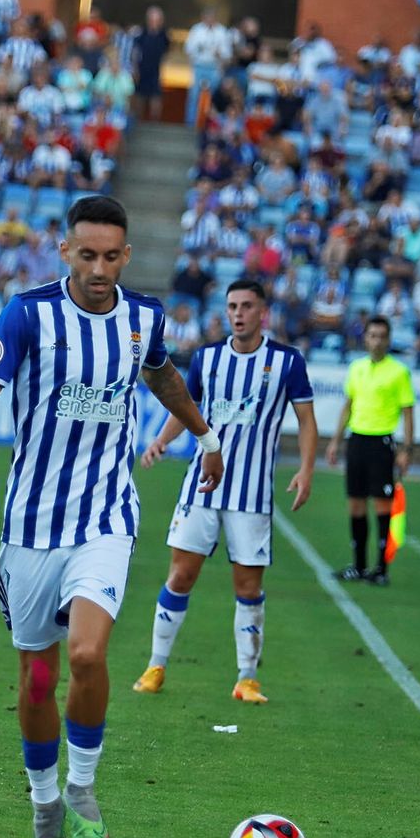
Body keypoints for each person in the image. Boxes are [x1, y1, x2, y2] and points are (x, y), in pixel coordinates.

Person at [0, 195, 224, 838]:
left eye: (111, 256)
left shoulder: (141, 319)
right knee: (38, 678)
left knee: (88, 655)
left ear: (126, 256)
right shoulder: (27, 314)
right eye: (87, 255)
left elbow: (161, 374)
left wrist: (203, 432)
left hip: (106, 516)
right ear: (65, 251)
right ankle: (44, 803)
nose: (99, 267)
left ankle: (81, 789)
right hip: (32, 525)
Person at [133, 279, 317, 704]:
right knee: (180, 575)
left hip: (251, 494)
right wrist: (162, 439)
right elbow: (186, 404)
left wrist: (306, 469)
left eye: (247, 306)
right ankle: (156, 665)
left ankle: (247, 678)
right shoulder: (208, 357)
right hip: (201, 487)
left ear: (262, 313)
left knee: (248, 586)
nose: (238, 313)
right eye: (232, 305)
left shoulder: (288, 362)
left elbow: (306, 420)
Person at [325, 316, 415, 585]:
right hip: (357, 441)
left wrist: (406, 449)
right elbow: (348, 405)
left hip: (382, 442)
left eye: (381, 336)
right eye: (372, 335)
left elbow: (408, 413)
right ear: (366, 338)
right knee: (355, 502)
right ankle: (359, 565)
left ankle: (381, 568)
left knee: (382, 505)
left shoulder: (399, 372)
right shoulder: (357, 368)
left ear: (388, 340)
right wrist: (336, 441)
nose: (376, 341)